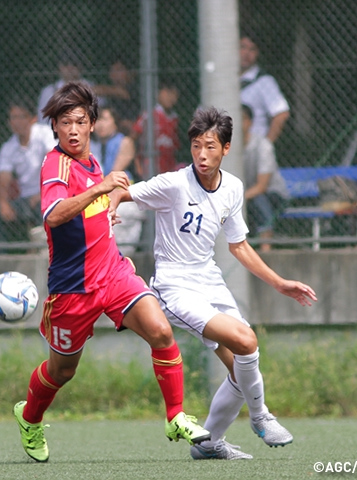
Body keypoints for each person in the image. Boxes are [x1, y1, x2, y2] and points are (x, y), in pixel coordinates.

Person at [12, 81, 211, 463]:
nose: (72, 129)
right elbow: (53, 215)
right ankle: (30, 416)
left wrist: (107, 216)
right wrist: (100, 189)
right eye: (64, 122)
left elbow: (89, 213)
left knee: (161, 330)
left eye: (80, 121)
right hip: (73, 289)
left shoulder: (93, 161)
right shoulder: (56, 164)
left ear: (92, 124)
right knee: (62, 370)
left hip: (113, 273)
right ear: (53, 127)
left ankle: (175, 417)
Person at [110, 107, 317, 460]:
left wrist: (280, 283)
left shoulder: (233, 188)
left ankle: (208, 444)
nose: (201, 155)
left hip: (210, 282)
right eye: (195, 146)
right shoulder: (174, 183)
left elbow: (239, 246)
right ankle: (261, 416)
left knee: (241, 369)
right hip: (175, 288)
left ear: (226, 148)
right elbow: (122, 191)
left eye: (209, 146)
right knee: (246, 341)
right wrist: (112, 209)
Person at [0, 97, 55, 247]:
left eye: (22, 117)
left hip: (52, 194)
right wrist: (3, 203)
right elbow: (3, 178)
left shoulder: (45, 134)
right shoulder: (8, 147)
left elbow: (55, 163)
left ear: (32, 119)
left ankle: (48, 254)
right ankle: (0, 257)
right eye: (13, 117)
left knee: (43, 206)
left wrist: (44, 192)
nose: (17, 122)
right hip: (25, 200)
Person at [90, 106, 145, 255]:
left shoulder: (125, 142)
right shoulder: (92, 146)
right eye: (98, 120)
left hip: (123, 199)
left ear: (115, 122)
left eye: (105, 119)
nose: (100, 125)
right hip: (100, 198)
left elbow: (112, 175)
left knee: (120, 251)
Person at [242, 104, 289, 252]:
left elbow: (262, 186)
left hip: (274, 195)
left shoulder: (263, 145)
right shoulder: (227, 148)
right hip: (247, 195)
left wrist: (238, 197)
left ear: (249, 122)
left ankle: (266, 249)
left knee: (259, 199)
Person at [240, 33, 290, 143]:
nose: (246, 54)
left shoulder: (265, 81)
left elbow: (281, 114)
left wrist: (266, 146)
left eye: (252, 49)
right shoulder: (222, 80)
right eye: (242, 47)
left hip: (252, 146)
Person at [131, 81, 180, 178]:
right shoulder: (150, 115)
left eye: (174, 94)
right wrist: (137, 164)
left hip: (169, 166)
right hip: (150, 166)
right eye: (167, 93)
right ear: (158, 94)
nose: (170, 98)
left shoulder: (175, 118)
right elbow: (133, 137)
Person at [37, 49, 91, 125]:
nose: (70, 68)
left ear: (80, 67)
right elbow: (42, 119)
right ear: (60, 67)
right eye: (66, 64)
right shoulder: (49, 91)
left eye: (74, 64)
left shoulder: (91, 87)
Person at [94, 58, 140, 135]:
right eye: (113, 71)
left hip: (133, 125)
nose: (115, 74)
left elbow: (122, 92)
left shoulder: (134, 87)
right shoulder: (110, 94)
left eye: (119, 70)